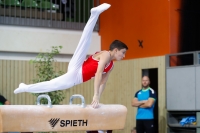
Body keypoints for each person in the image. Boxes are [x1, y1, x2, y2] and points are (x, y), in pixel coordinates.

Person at [14, 3, 128, 109]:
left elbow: (103, 82)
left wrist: (98, 98)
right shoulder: (106, 55)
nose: (123, 56)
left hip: (77, 70)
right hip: (77, 73)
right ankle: (95, 13)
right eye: (123, 52)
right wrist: (95, 95)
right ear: (116, 50)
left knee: (53, 84)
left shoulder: (111, 65)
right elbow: (98, 74)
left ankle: (25, 87)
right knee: (85, 41)